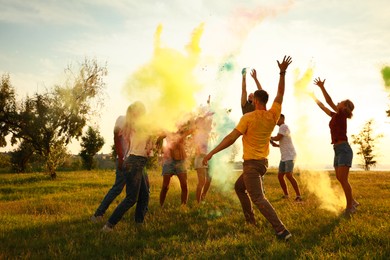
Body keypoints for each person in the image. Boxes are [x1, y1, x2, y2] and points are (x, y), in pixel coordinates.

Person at [203, 55, 293, 241]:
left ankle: (281, 230)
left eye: (253, 97)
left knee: (258, 198)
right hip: (262, 163)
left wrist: (212, 152)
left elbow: (230, 138)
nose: (250, 98)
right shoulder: (273, 115)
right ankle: (250, 221)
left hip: (252, 164)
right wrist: (282, 72)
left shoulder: (248, 118)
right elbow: (280, 94)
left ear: (255, 101)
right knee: (239, 188)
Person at [311, 77, 359, 216]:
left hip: (344, 149)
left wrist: (321, 87)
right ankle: (353, 201)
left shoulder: (342, 114)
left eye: (340, 102)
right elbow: (323, 106)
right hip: (337, 150)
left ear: (344, 107)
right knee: (339, 178)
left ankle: (350, 208)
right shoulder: (335, 116)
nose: (337, 103)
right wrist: (314, 97)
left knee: (343, 179)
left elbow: (329, 101)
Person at [102, 101, 152, 231]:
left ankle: (139, 223)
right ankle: (109, 226)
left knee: (145, 194)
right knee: (131, 198)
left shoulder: (139, 124)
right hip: (134, 162)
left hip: (139, 162)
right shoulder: (136, 124)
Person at [159, 120, 194, 207]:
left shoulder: (182, 131)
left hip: (181, 160)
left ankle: (183, 206)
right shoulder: (167, 130)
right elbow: (159, 138)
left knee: (184, 185)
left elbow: (192, 129)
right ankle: (161, 206)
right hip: (169, 160)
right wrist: (160, 149)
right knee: (165, 186)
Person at [270, 114, 302, 201]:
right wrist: (275, 145)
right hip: (284, 156)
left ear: (282, 118)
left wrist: (269, 137)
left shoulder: (283, 126)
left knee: (288, 175)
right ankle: (286, 195)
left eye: (277, 118)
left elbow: (277, 138)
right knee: (280, 176)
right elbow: (283, 143)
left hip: (290, 155)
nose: (276, 120)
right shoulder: (282, 128)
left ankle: (298, 196)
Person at [193, 97, 214, 203]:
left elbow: (209, 119)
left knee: (209, 179)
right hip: (201, 158)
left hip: (207, 157)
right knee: (202, 181)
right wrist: (207, 113)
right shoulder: (198, 133)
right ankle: (198, 202)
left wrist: (209, 105)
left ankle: (203, 196)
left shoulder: (206, 131)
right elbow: (201, 119)